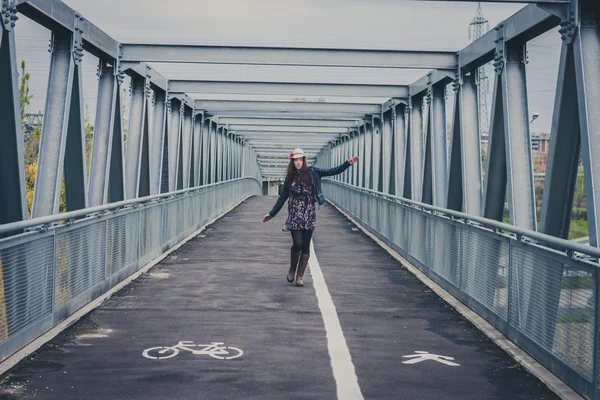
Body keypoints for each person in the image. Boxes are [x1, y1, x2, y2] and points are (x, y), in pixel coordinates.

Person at [262, 148, 359, 287]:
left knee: (306, 245)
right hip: (295, 214)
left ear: (304, 160)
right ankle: (292, 268)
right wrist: (272, 214)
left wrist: (347, 164)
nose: (298, 162)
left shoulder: (313, 172)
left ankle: (300, 276)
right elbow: (283, 197)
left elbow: (332, 171)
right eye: (296, 160)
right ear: (293, 161)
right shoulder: (290, 176)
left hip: (309, 213)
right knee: (297, 243)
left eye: (300, 159)